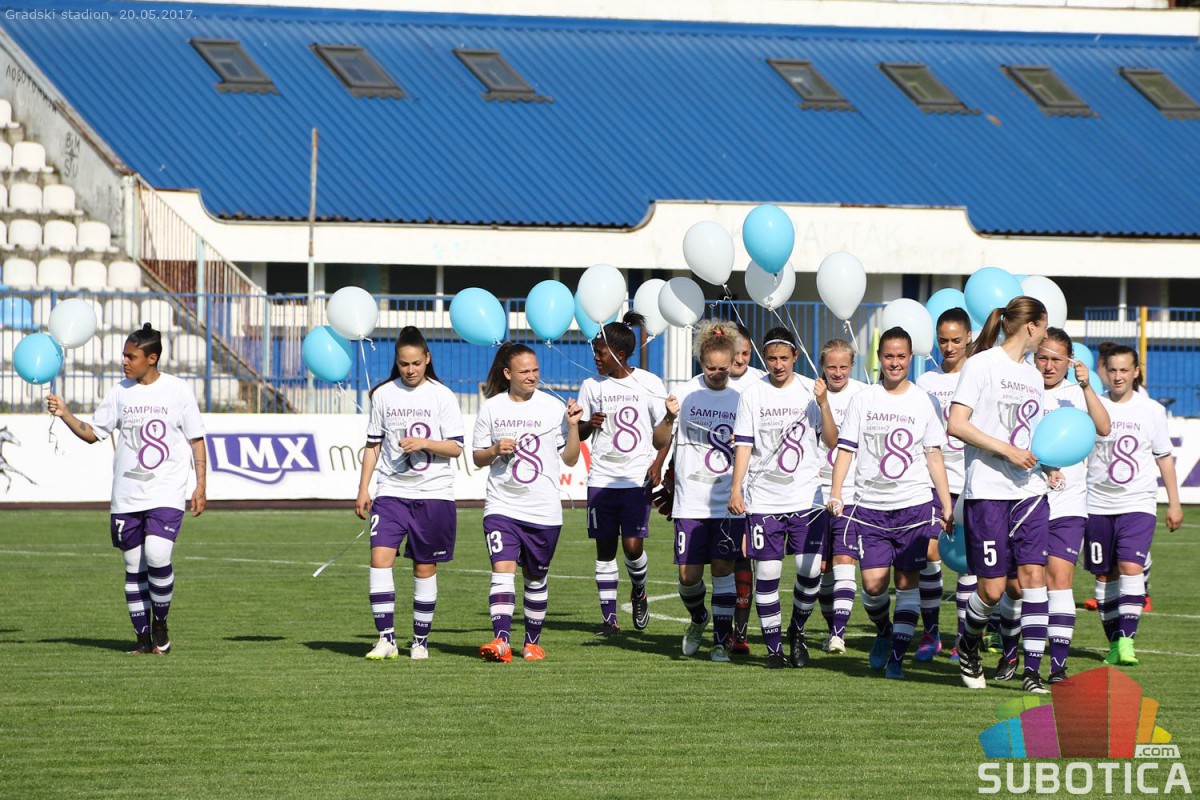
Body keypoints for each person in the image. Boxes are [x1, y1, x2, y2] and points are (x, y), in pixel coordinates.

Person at [46, 324, 206, 655]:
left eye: (131, 356)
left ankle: (160, 623)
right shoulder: (119, 392)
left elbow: (196, 439)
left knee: (158, 555)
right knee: (134, 567)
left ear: (152, 358)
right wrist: (64, 413)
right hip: (126, 495)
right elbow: (93, 433)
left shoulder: (178, 390)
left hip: (166, 490)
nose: (124, 361)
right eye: (124, 355)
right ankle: (143, 640)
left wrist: (201, 484)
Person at [948, 296, 1063, 694]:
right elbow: (956, 424)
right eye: (1044, 327)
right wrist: (1006, 450)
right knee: (993, 590)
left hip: (1029, 492)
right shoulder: (982, 364)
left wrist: (1047, 465)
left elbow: (1028, 433)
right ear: (1031, 326)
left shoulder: (1033, 375)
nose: (1045, 336)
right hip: (987, 492)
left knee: (1034, 579)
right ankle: (968, 642)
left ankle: (1032, 673)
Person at [828, 327, 953, 680]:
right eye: (888, 356)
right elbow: (846, 450)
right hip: (870, 509)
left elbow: (933, 455)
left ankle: (896, 657)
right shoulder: (863, 399)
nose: (895, 363)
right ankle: (884, 631)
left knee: (907, 581)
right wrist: (837, 493)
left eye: (901, 356)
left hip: (914, 505)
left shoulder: (924, 401)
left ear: (910, 358)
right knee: (872, 586)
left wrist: (945, 503)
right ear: (879, 358)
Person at [728, 327, 835, 669]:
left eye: (784, 358)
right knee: (768, 573)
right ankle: (774, 649)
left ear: (795, 357)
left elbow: (832, 440)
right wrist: (736, 487)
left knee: (811, 572)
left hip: (806, 497)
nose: (778, 365)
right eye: (772, 358)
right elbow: (744, 444)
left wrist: (824, 403)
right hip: (764, 499)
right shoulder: (751, 394)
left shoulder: (810, 390)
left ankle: (797, 631)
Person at [356, 327, 464, 661]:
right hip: (391, 492)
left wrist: (425, 443)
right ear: (397, 362)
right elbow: (373, 445)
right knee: (379, 560)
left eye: (416, 363)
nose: (410, 369)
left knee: (424, 568)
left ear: (427, 359)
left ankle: (420, 641)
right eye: (404, 364)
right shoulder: (383, 395)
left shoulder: (442, 396)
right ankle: (386, 638)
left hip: (434, 494)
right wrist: (363, 488)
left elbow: (456, 447)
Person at [473, 343, 582, 662]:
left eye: (535, 370)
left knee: (536, 577)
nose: (532, 376)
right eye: (524, 371)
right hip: (502, 506)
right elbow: (477, 457)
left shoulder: (552, 407)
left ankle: (532, 643)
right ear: (508, 374)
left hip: (543, 510)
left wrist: (573, 425)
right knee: (502, 570)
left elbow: (571, 459)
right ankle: (502, 641)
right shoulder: (491, 408)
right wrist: (495, 450)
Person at [1085, 345, 1182, 666]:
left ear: (1136, 372)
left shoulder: (1151, 410)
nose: (1118, 376)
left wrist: (1174, 503)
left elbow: (1164, 457)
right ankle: (1114, 643)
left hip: (1137, 502)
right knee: (1104, 576)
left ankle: (1127, 640)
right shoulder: (1092, 405)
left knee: (1130, 567)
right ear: (1104, 371)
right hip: (1097, 503)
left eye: (1124, 370)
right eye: (1112, 370)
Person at [653, 321, 742, 661]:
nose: (717, 374)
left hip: (727, 500)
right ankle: (699, 617)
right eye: (710, 368)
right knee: (688, 577)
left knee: (722, 569)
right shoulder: (685, 393)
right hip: (690, 500)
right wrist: (668, 418)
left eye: (723, 368)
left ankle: (720, 640)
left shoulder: (742, 398)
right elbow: (659, 441)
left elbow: (755, 447)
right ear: (701, 363)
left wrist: (741, 441)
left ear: (733, 362)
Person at [577, 313, 669, 637]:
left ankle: (639, 589)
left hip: (634, 479)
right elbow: (579, 432)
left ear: (618, 353)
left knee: (632, 547)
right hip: (601, 479)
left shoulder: (649, 383)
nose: (596, 357)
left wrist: (658, 464)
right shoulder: (591, 386)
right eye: (595, 351)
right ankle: (609, 620)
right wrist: (589, 424)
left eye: (600, 352)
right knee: (604, 550)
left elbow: (665, 430)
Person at [1030, 328, 1111, 682]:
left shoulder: (1077, 393)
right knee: (1021, 585)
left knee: (1060, 579)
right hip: (1026, 498)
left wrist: (1087, 386)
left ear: (1070, 361)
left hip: (1069, 502)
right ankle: (1014, 654)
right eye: (1042, 357)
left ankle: (1058, 666)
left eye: (1056, 359)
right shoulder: (1022, 388)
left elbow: (1104, 427)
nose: (1048, 366)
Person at [915, 307, 971, 662]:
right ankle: (931, 633)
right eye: (943, 340)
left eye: (955, 340)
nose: (948, 347)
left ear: (969, 338)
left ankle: (963, 638)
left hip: (973, 482)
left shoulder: (979, 375)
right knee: (930, 555)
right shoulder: (925, 382)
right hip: (934, 481)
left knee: (967, 561)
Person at [812, 339, 867, 654]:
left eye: (843, 366)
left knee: (845, 560)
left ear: (852, 365)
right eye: (831, 366)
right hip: (815, 493)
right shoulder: (811, 393)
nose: (837, 372)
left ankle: (838, 634)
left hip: (850, 494)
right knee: (820, 568)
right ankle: (831, 626)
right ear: (822, 366)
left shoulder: (864, 394)